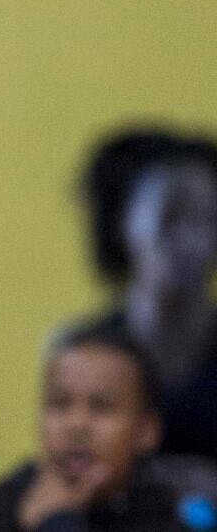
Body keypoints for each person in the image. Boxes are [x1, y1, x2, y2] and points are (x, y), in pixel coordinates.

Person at [0, 321, 203, 532]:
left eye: (102, 407)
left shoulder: (167, 518)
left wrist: (57, 522)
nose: (77, 424)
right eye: (60, 404)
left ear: (147, 429)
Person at [82, 127, 217, 462]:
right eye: (171, 217)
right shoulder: (83, 355)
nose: (193, 241)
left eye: (208, 219)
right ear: (122, 221)